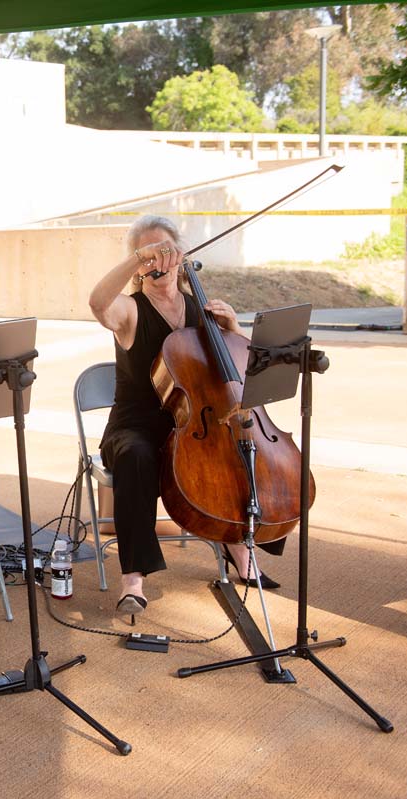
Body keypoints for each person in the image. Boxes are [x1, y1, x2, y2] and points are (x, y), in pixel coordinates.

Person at [87, 215, 282, 622]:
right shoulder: (130, 310)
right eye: (148, 255)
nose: (159, 261)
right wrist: (135, 259)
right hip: (135, 425)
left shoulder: (202, 309)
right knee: (138, 456)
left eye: (166, 250)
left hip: (195, 425)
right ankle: (134, 580)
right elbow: (98, 302)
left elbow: (238, 376)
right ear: (138, 264)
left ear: (181, 256)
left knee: (242, 444)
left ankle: (237, 543)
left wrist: (234, 329)